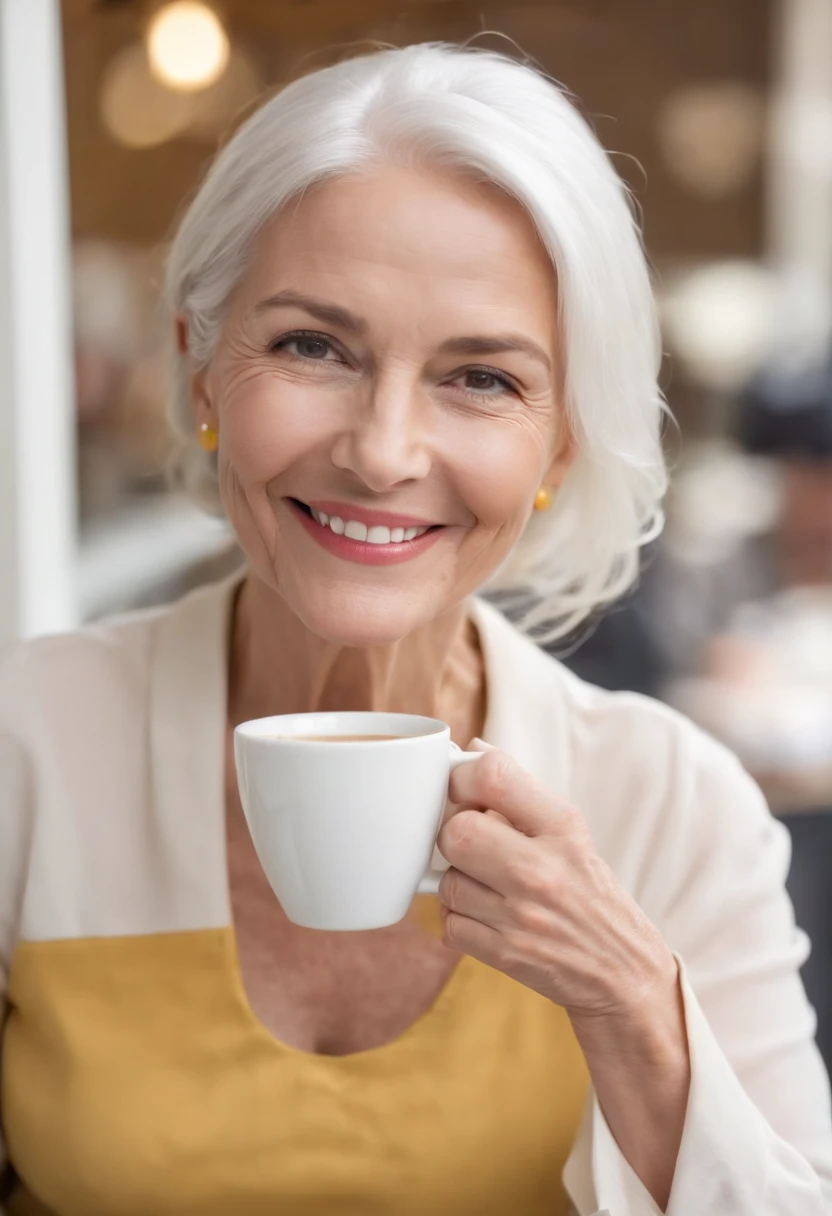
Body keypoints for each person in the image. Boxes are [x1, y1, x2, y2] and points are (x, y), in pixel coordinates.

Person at [0, 44, 829, 1216]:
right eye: (311, 346)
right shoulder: (26, 745)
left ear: (558, 446)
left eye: (481, 378)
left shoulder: (670, 808)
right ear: (198, 373)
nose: (383, 451)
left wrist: (634, 1008)